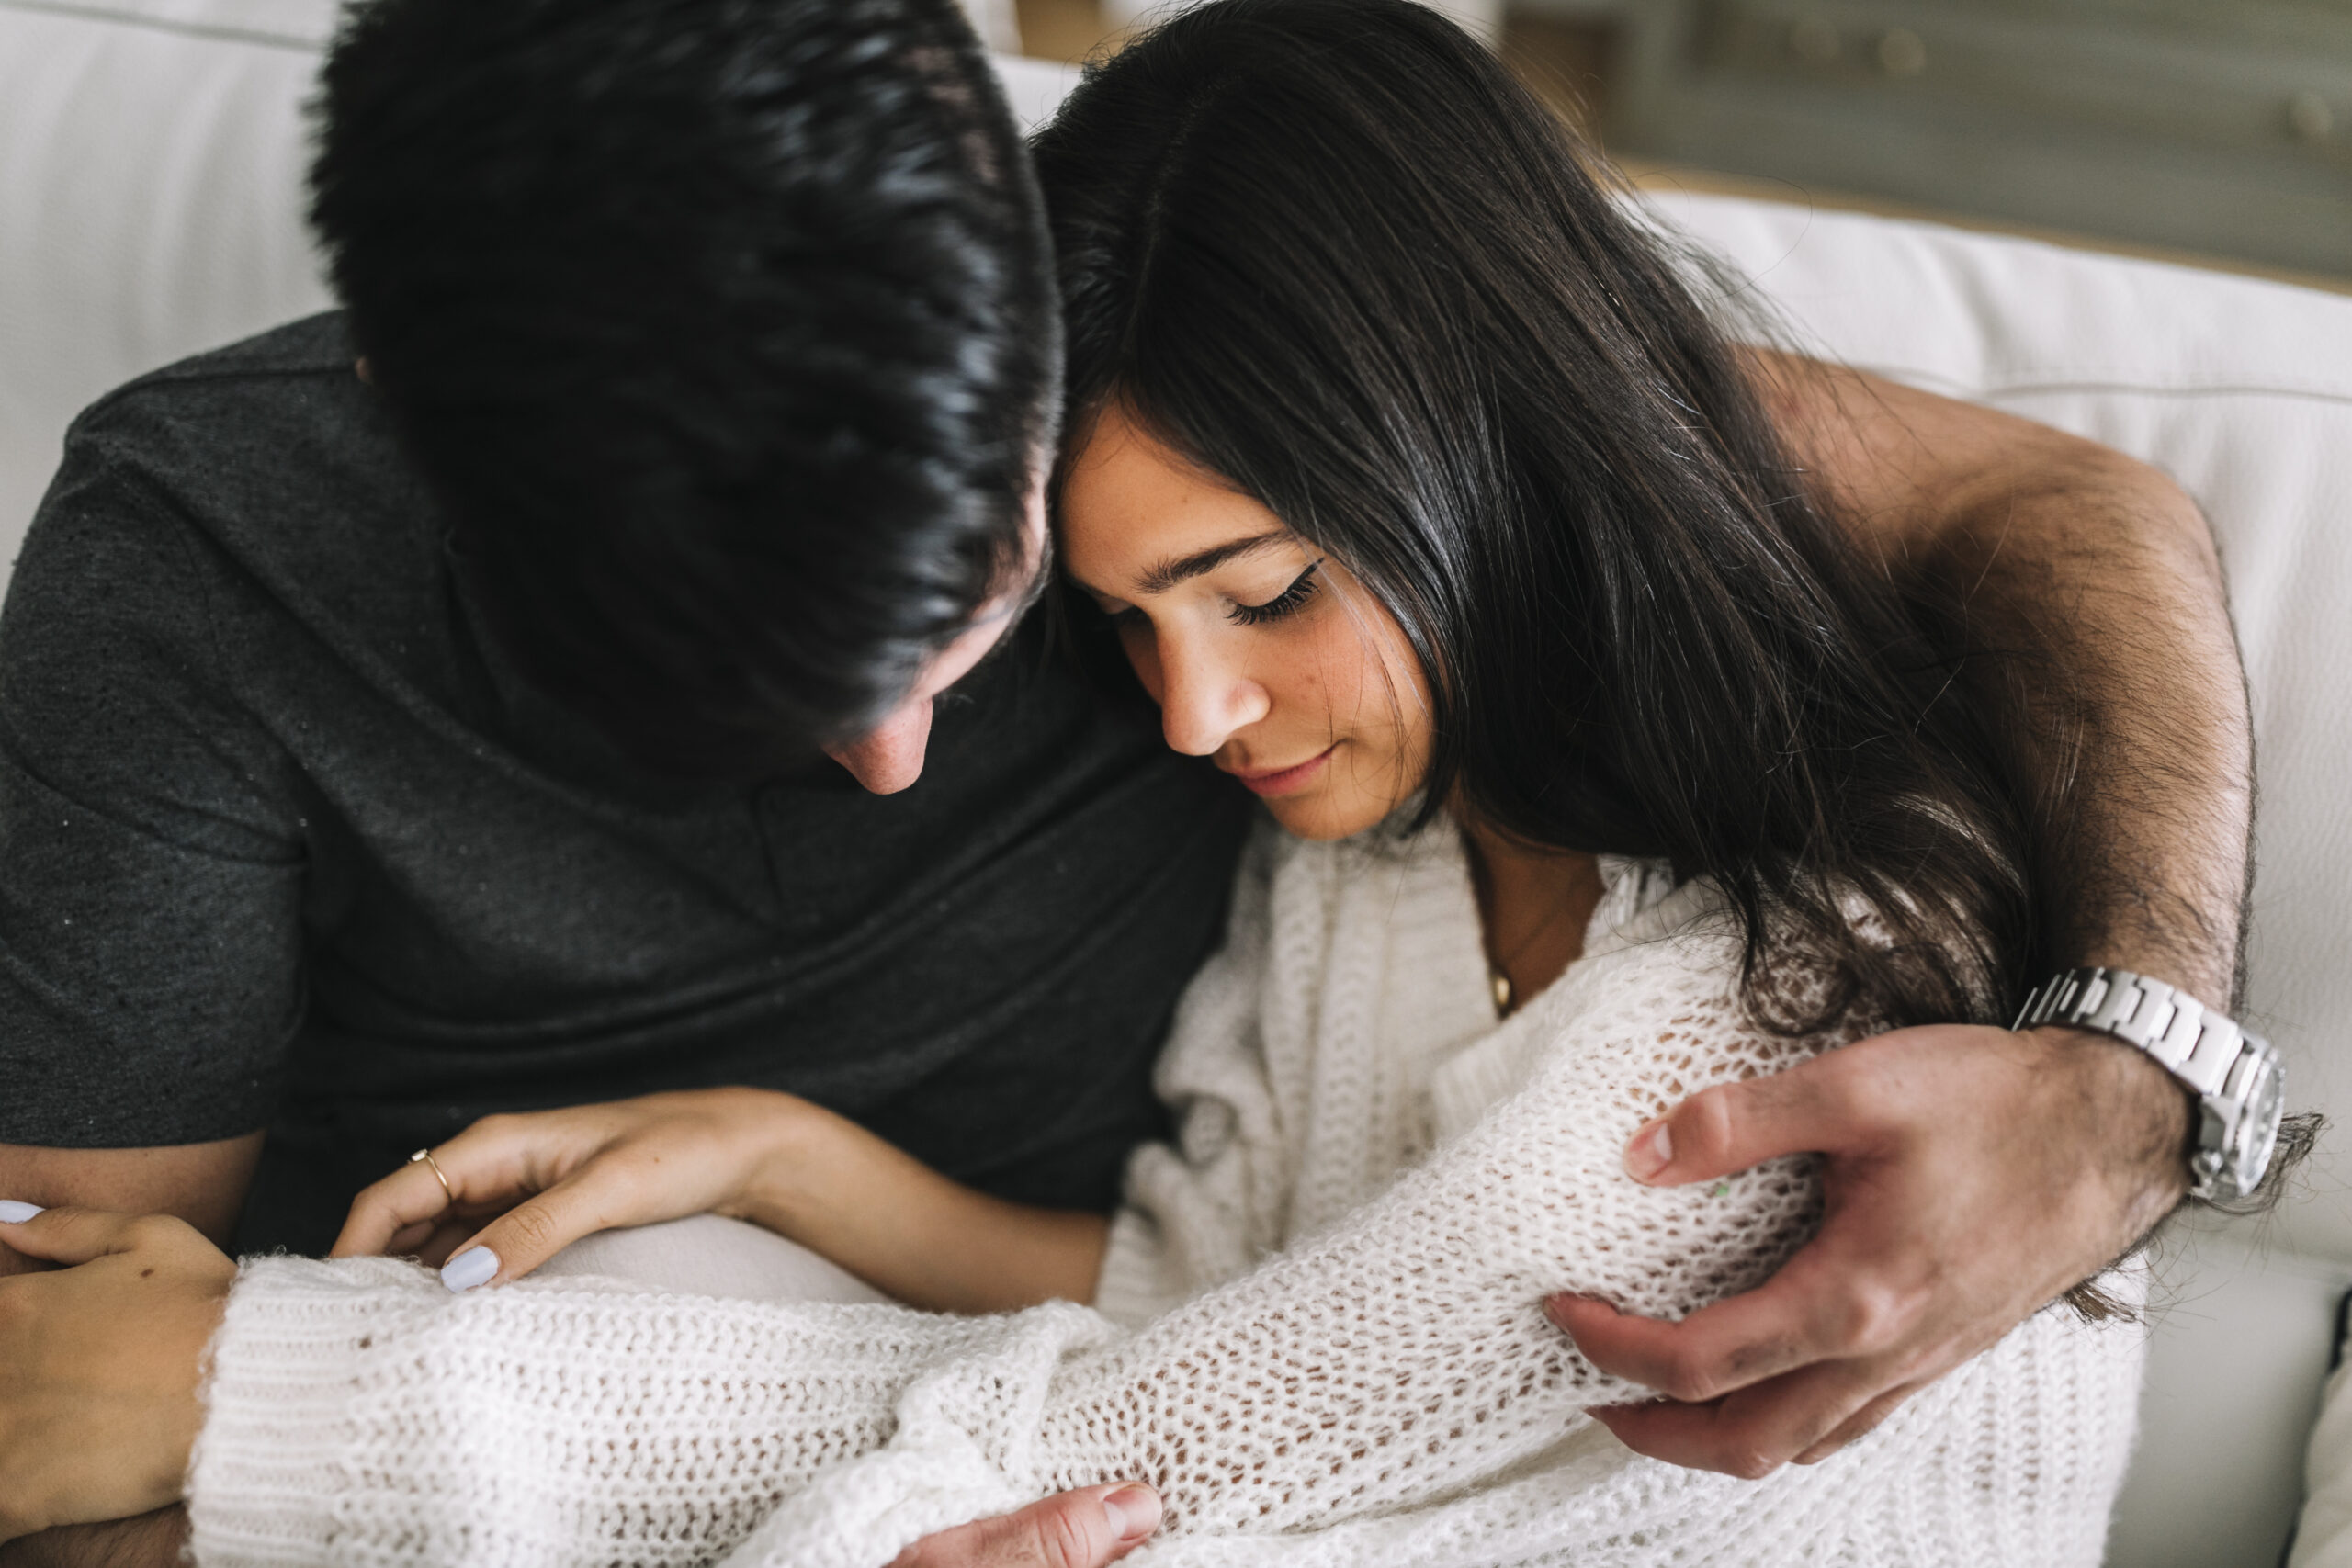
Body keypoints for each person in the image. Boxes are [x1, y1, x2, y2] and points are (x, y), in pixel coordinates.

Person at [0, 2, 2281, 1563]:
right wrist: (782, 1157)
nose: (899, 751)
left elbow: (2048, 500)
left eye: (977, 596)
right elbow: (51, 1377)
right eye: (727, 662)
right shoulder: (1349, 860)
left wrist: (2139, 1065)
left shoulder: (1215, 337)